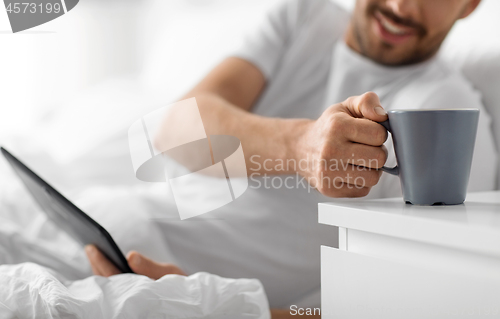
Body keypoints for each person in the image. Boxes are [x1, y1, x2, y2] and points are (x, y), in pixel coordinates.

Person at [87, 0, 497, 316]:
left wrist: (218, 307)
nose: (400, 7)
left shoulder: (448, 115)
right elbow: (174, 132)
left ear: (471, 4)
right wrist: (299, 146)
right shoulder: (304, 18)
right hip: (101, 229)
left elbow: (419, 305)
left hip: (145, 285)